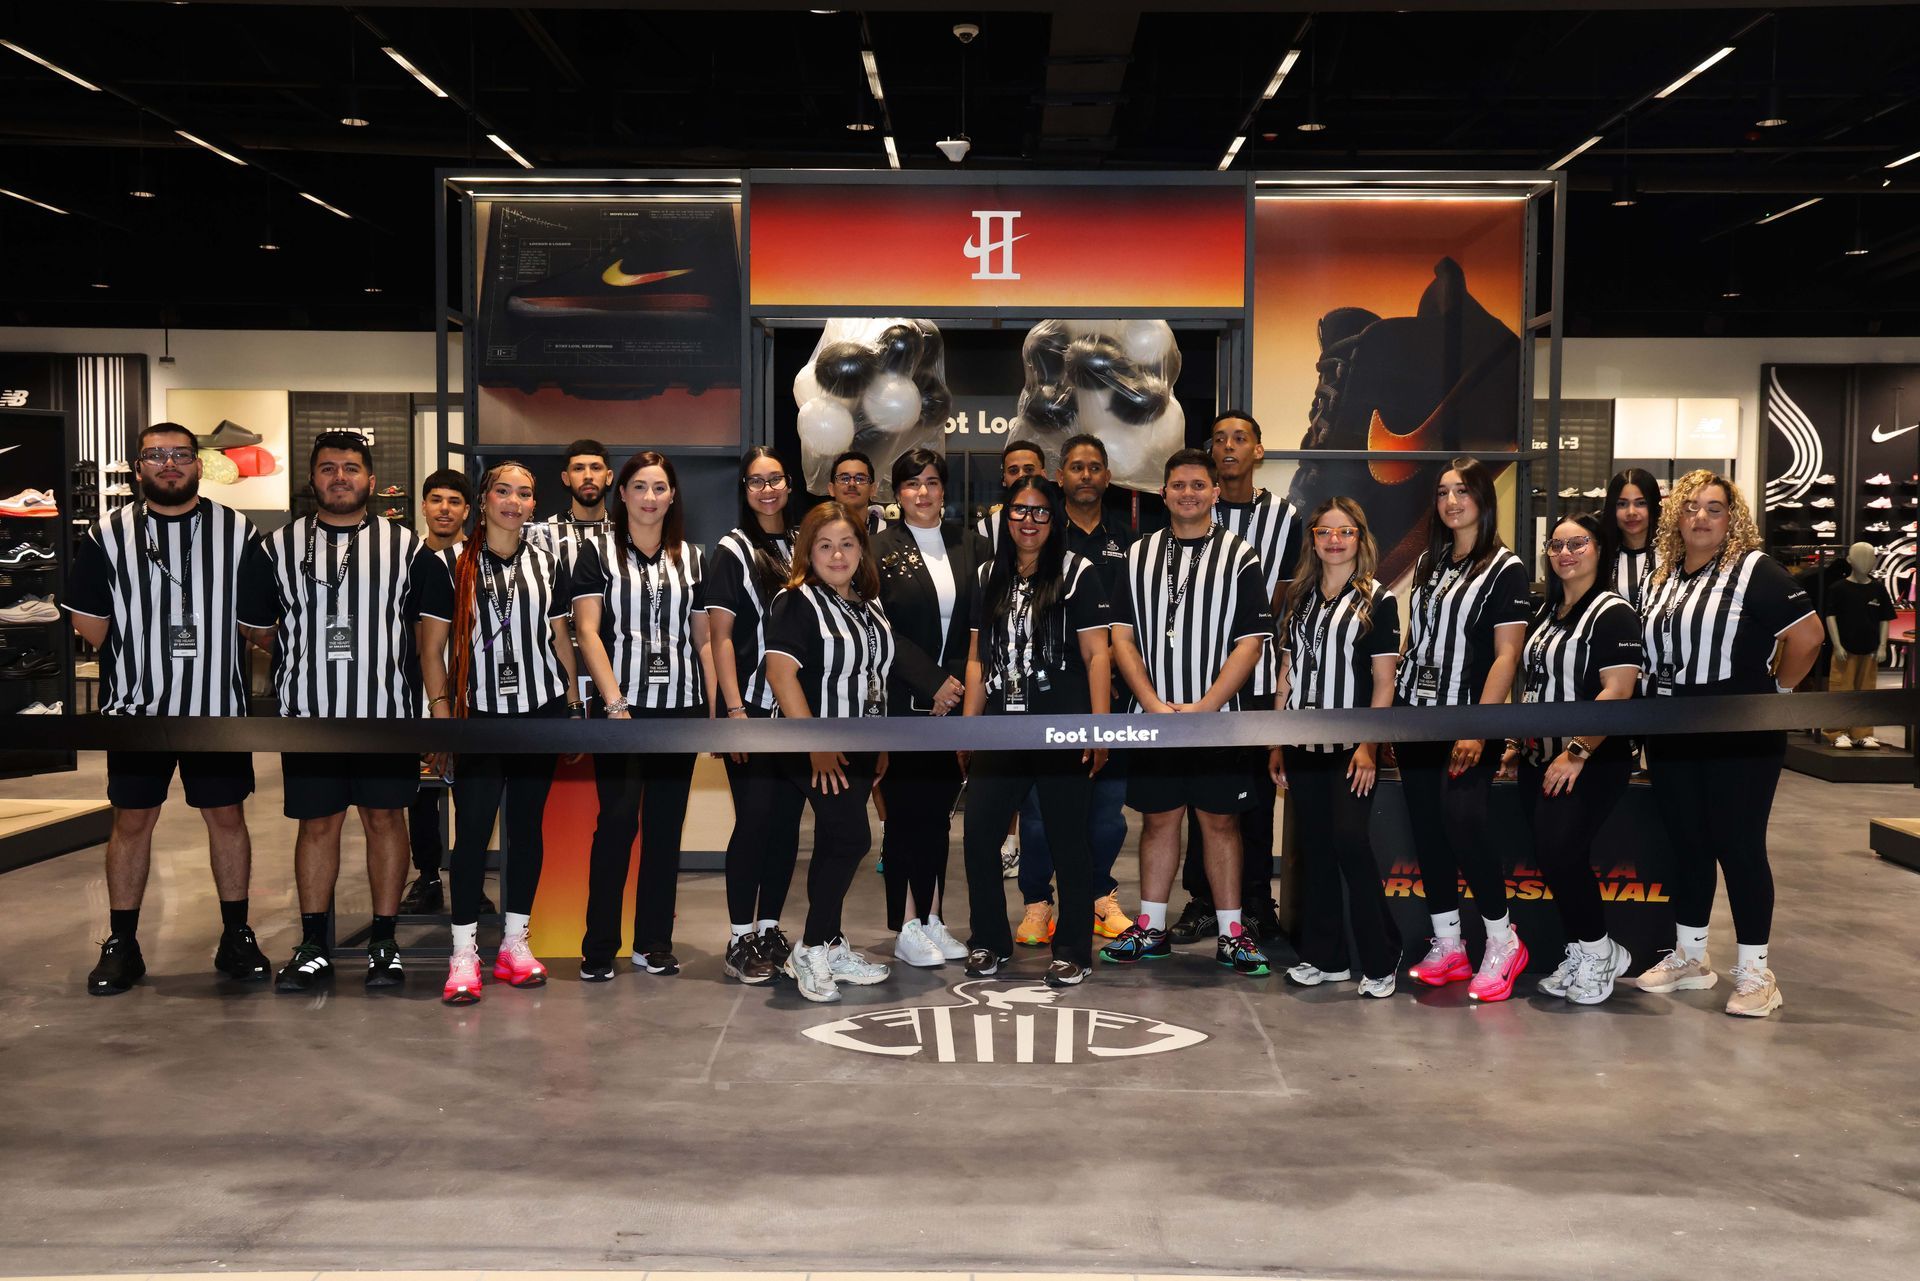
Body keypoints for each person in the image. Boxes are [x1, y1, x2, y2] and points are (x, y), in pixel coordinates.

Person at [66, 422, 268, 995]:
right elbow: (89, 623)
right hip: (137, 710)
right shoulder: (109, 532)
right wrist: (144, 656)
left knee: (226, 817)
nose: (169, 464)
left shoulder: (237, 530)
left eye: (181, 454)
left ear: (200, 465)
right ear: (138, 468)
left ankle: (236, 936)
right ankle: (122, 943)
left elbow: (258, 627)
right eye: (156, 456)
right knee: (131, 822)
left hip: (216, 710)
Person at [238, 429, 442, 992]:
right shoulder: (277, 546)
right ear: (313, 479)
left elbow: (428, 636)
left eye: (351, 468)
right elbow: (258, 628)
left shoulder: (408, 548)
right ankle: (311, 945)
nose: (340, 478)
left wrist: (432, 711)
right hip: (310, 717)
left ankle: (383, 941)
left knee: (385, 820)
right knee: (318, 823)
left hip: (386, 714)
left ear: (370, 480)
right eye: (328, 469)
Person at [1634, 469, 1822, 1017]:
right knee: (1688, 845)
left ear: (1732, 517)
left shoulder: (1753, 570)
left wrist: (1776, 690)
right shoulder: (1661, 574)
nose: (1700, 517)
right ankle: (1692, 958)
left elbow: (1807, 637)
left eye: (1714, 508)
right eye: (1691, 507)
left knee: (1738, 848)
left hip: (1740, 733)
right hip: (1672, 730)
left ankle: (1757, 973)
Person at [1101, 447, 1274, 978]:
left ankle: (1231, 934)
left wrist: (1205, 707)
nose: (1189, 494)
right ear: (1164, 493)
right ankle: (1151, 928)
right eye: (1179, 486)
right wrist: (1152, 704)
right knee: (1158, 820)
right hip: (1155, 716)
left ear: (1214, 492)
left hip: (1217, 717)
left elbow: (1251, 643)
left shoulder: (1241, 554)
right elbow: (1121, 639)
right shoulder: (1136, 555)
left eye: (1199, 485)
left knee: (1220, 824)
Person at [417, 463, 579, 1005]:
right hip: (477, 717)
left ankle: (514, 942)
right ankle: (464, 951)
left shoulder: (548, 562)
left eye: (526, 493)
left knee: (527, 829)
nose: (514, 501)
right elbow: (431, 650)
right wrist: (444, 720)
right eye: (504, 491)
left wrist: (574, 705)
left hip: (540, 712)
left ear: (535, 505)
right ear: (483, 501)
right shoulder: (446, 563)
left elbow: (561, 639)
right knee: (472, 836)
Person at [959, 476, 1112, 987]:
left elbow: (1096, 655)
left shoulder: (1078, 572)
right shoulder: (986, 575)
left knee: (1069, 839)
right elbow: (978, 657)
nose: (1030, 521)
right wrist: (969, 728)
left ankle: (1072, 948)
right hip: (1000, 728)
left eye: (1041, 512)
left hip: (1062, 725)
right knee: (979, 837)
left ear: (1055, 519)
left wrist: (1098, 728)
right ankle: (988, 942)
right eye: (1020, 511)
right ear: (1006, 517)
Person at [1393, 456, 1532, 1001]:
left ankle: (1503, 939)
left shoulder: (1506, 568)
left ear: (1482, 498)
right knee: (1428, 830)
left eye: (1463, 491)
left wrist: (1477, 726)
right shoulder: (1430, 561)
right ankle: (1449, 944)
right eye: (1443, 491)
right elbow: (1415, 639)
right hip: (1416, 715)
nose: (1452, 501)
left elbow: (1506, 655)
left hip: (1467, 719)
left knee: (1463, 822)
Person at [573, 452, 712, 981]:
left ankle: (654, 941)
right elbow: (588, 631)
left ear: (672, 495)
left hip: (678, 708)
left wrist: (712, 708)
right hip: (621, 709)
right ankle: (599, 945)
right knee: (615, 823)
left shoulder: (694, 559)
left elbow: (702, 638)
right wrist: (614, 704)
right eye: (640, 487)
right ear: (622, 493)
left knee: (664, 828)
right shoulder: (598, 552)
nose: (650, 497)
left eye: (660, 487)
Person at [1168, 411, 1304, 946]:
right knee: (1200, 789)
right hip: (1199, 676)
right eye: (1218, 438)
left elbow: (1287, 594)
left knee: (1251, 791)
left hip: (1257, 672)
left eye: (1239, 439)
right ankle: (1202, 900)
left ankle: (1254, 903)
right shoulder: (1195, 509)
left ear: (1258, 452)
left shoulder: (1286, 518)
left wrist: (1255, 636)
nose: (1228, 447)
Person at [1502, 512, 1644, 1004]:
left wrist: (1577, 752)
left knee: (1562, 853)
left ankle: (1600, 952)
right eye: (1557, 545)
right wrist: (1517, 742)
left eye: (1577, 544)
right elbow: (1537, 686)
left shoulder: (1614, 612)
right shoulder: (1546, 611)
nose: (1565, 553)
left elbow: (1619, 690)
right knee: (1555, 857)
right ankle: (1587, 949)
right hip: (1539, 758)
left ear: (1599, 549)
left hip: (1590, 760)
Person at [763, 501, 897, 1003]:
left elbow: (873, 677)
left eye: (846, 543)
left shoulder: (867, 604)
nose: (837, 554)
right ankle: (813, 947)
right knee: (849, 839)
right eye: (824, 545)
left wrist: (878, 742)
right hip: (814, 746)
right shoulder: (796, 600)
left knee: (836, 842)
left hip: (859, 746)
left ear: (861, 550)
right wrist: (816, 745)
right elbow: (780, 674)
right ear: (808, 553)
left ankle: (831, 943)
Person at [1267, 497, 1401, 999]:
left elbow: (1384, 683)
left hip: (1351, 749)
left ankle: (1382, 956)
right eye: (1325, 533)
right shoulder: (1299, 598)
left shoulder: (1377, 600)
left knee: (1350, 844)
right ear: (1314, 540)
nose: (1334, 541)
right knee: (1316, 851)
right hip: (1301, 744)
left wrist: (1369, 746)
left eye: (1345, 532)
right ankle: (1326, 958)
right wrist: (1276, 740)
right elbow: (1286, 675)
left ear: (1359, 539)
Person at [1014, 433, 1136, 942]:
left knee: (1107, 811)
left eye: (1095, 467)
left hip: (1117, 696)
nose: (1085, 475)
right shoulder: (1041, 533)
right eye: (1076, 467)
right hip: (1053, 700)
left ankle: (1097, 895)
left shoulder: (1131, 542)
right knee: (1040, 813)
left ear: (1108, 477)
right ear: (1058, 476)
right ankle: (1038, 902)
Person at [871, 448, 989, 966]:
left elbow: (979, 626)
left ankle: (935, 918)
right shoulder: (876, 549)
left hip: (955, 702)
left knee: (939, 816)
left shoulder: (972, 545)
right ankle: (907, 924)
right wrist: (930, 682)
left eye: (933, 482)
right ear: (897, 492)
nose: (923, 492)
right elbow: (879, 629)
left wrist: (959, 689)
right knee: (905, 815)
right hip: (903, 703)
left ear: (945, 489)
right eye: (912, 483)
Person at [706, 447, 802, 982]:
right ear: (744, 490)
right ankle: (739, 937)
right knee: (755, 821)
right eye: (756, 482)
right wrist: (735, 711)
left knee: (787, 825)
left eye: (776, 479)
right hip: (751, 709)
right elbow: (720, 637)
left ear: (788, 485)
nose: (767, 490)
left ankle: (769, 927)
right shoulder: (731, 550)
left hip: (795, 713)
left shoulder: (802, 545)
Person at [399, 468, 472, 916]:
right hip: (413, 691)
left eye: (454, 501)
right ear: (423, 505)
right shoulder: (407, 560)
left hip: (469, 694)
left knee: (471, 793)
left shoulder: (475, 560)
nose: (444, 508)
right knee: (420, 793)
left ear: (467, 509)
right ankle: (427, 877)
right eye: (436, 499)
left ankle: (469, 879)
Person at [1822, 541, 1894, 749]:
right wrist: (1837, 644)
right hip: (1845, 649)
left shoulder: (1878, 589)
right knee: (1840, 691)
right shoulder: (1838, 588)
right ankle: (1836, 731)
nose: (1866, 562)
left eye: (1870, 557)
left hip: (1870, 650)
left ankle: (1863, 733)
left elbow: (1884, 619)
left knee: (1866, 693)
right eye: (1861, 558)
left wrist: (1881, 646)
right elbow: (1831, 617)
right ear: (1849, 561)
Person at [526, 438, 614, 569]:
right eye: (578, 468)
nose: (588, 476)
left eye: (596, 468)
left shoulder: (625, 529)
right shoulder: (542, 533)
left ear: (608, 477)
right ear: (566, 478)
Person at [1600, 468, 1662, 612]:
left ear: (1653, 505)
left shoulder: (1673, 554)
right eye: (1622, 504)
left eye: (1641, 503)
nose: (1631, 512)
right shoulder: (1600, 555)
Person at [975, 438, 1047, 542]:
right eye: (1013, 471)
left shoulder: (1061, 522)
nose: (1021, 476)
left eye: (1029, 470)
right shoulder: (985, 530)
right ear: (1004, 479)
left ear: (1043, 475)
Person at [829, 449, 888, 534]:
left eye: (860, 479)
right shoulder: (814, 533)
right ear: (831, 489)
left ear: (873, 489)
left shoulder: (887, 535)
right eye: (844, 478)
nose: (852, 484)